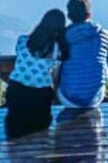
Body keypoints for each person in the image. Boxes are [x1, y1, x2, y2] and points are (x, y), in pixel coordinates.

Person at [4, 8, 69, 138]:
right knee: (40, 132)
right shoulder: (56, 50)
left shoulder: (22, 41)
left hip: (16, 92)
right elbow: (55, 76)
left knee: (15, 127)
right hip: (40, 97)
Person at [57, 0, 108, 108]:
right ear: (89, 15)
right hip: (95, 97)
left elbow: (56, 62)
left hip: (68, 97)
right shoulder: (104, 34)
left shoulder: (62, 36)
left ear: (69, 16)